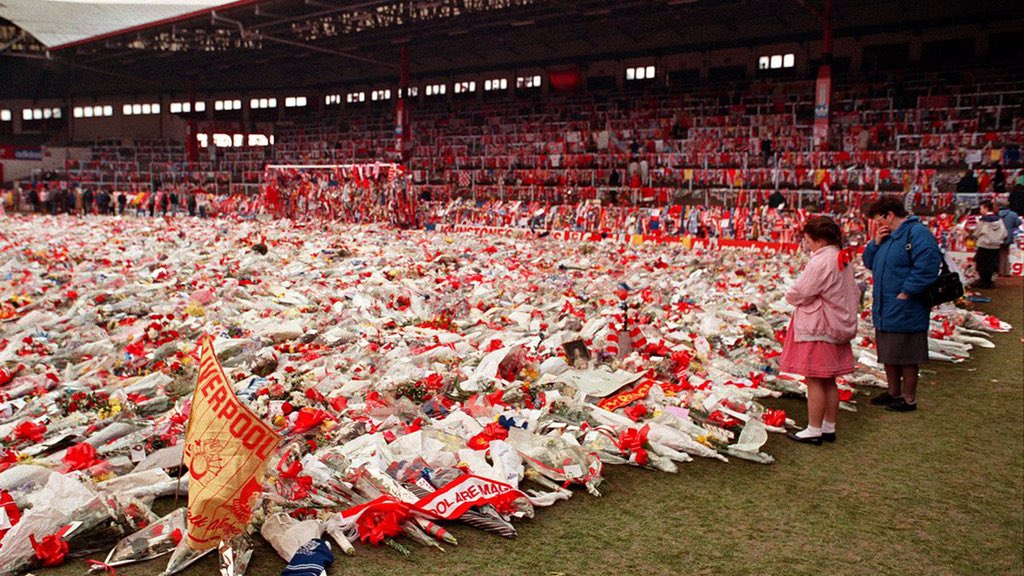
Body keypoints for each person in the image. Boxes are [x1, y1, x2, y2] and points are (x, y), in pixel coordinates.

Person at [780, 216, 861, 445]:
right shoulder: (842, 257)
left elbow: (803, 290)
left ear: (818, 239)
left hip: (820, 325)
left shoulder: (822, 260)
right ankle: (828, 426)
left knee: (814, 378)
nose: (807, 245)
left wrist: (790, 296)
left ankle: (813, 429)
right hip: (837, 324)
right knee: (829, 380)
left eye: (808, 240)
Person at [862, 196, 943, 412]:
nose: (878, 225)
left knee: (907, 355)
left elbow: (928, 265)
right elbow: (868, 262)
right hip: (885, 304)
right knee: (889, 352)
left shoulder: (917, 233)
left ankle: (908, 399)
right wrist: (874, 243)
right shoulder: (888, 237)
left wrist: (907, 292)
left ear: (890, 215)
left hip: (906, 305)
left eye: (880, 220)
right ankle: (893, 393)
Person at [971, 200, 1007, 288]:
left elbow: (977, 231)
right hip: (995, 246)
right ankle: (989, 282)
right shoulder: (999, 219)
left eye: (981, 208)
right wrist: (998, 240)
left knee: (982, 264)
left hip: (984, 245)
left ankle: (983, 281)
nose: (980, 210)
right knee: (992, 264)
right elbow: (1004, 232)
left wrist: (973, 236)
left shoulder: (983, 220)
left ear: (986, 208)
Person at [997, 196, 1021, 276]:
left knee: (998, 253)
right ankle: (1005, 271)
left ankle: (998, 271)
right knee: (1005, 254)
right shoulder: (1013, 214)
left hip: (997, 236)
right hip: (1008, 235)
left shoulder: (996, 214)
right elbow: (1018, 223)